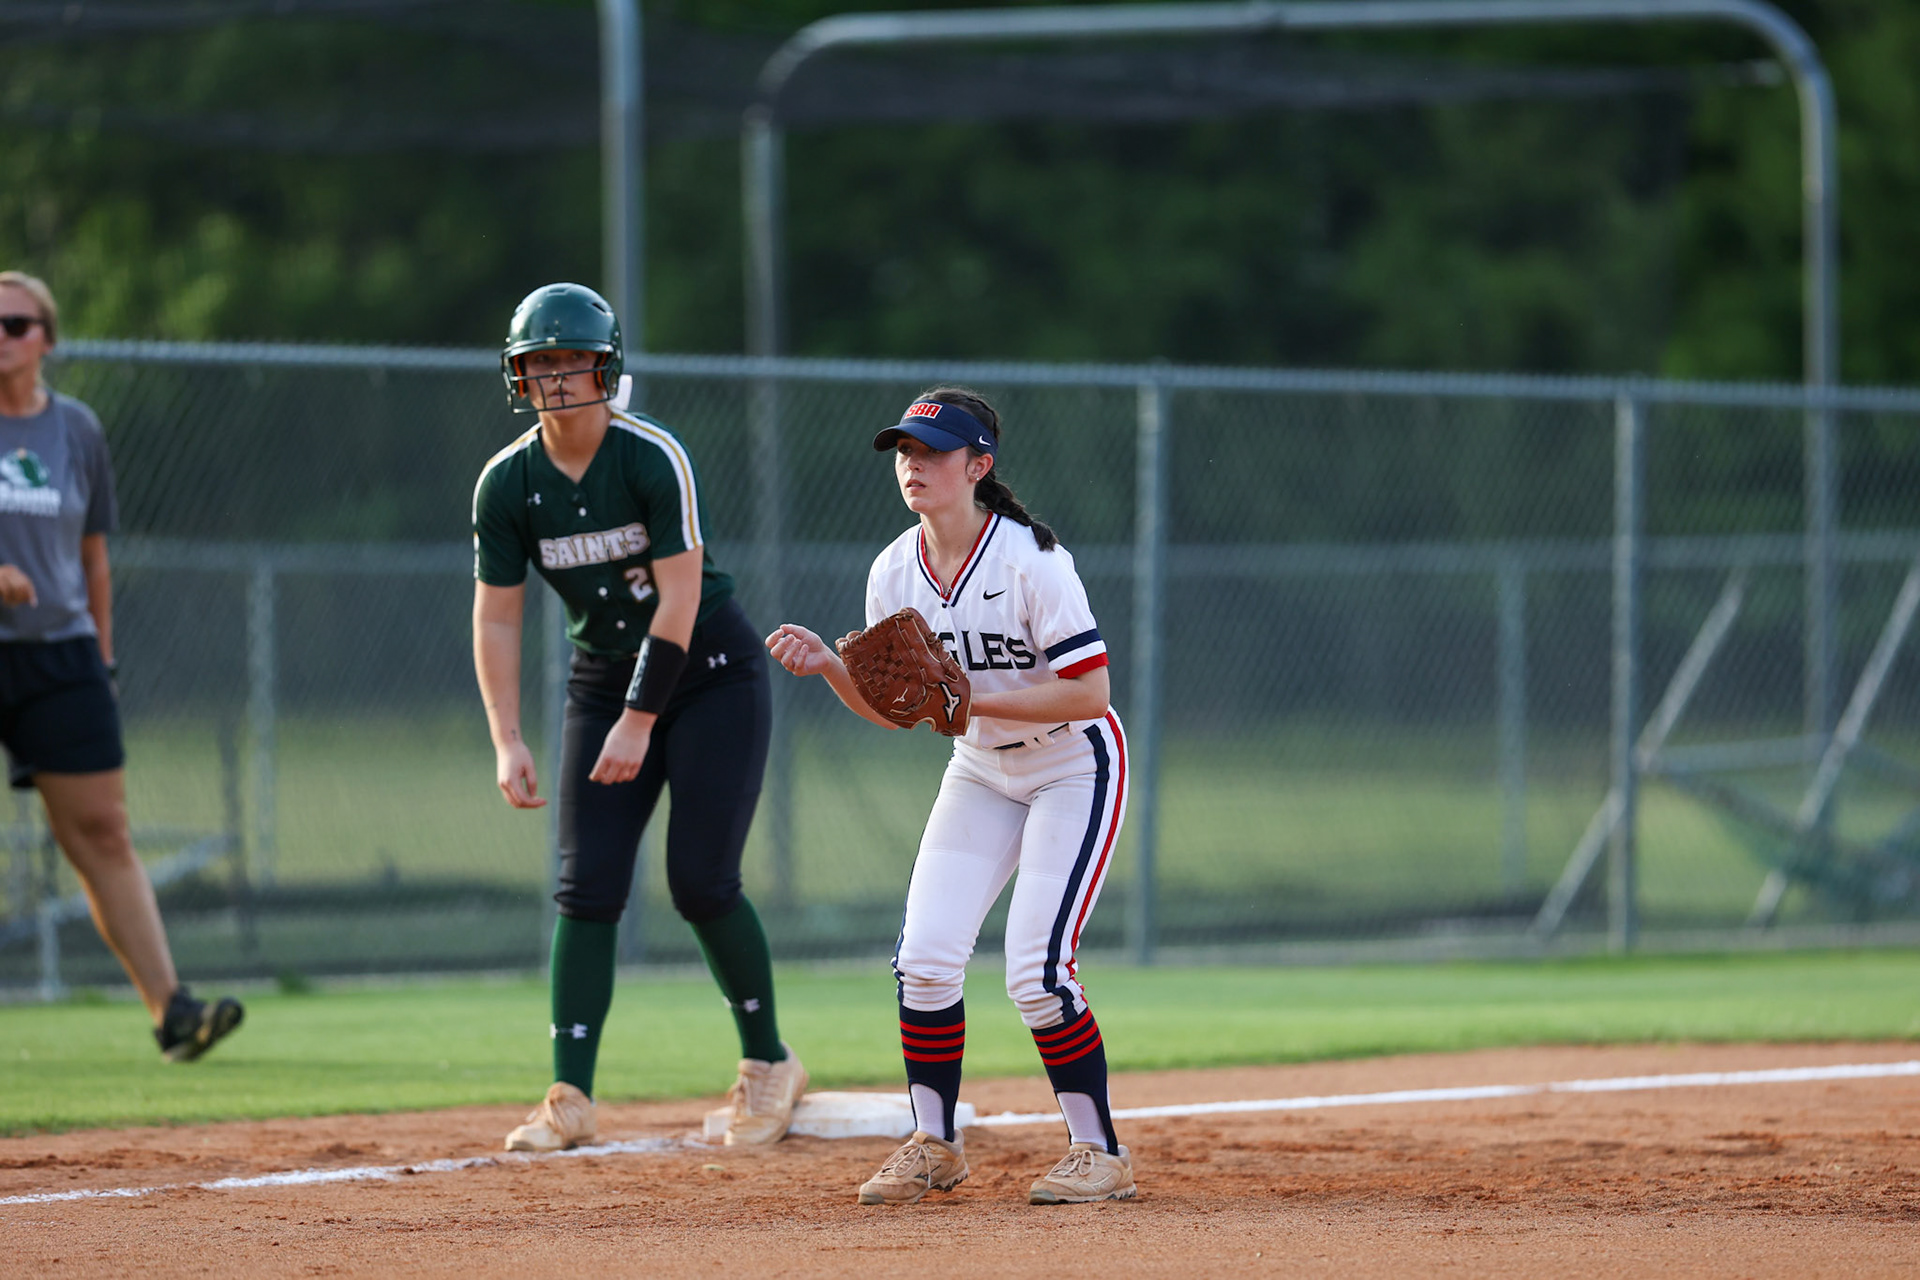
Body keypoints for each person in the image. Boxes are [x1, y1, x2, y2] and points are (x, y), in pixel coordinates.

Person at [766, 386, 1133, 1206]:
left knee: (1036, 971)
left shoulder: (1030, 560)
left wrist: (968, 696)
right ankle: (935, 1143)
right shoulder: (894, 569)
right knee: (925, 959)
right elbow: (897, 711)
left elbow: (1089, 693)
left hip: (1073, 763)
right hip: (981, 770)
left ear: (979, 466)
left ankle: (1099, 1152)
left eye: (932, 453)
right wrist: (833, 666)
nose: (914, 465)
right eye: (905, 452)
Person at [471, 282, 806, 1153]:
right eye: (537, 362)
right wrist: (508, 737)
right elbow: (497, 614)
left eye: (570, 359)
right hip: (602, 676)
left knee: (701, 879)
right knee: (587, 888)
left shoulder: (650, 455)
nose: (555, 377)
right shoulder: (508, 483)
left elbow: (682, 596)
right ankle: (569, 1096)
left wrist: (640, 718)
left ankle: (770, 1064)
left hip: (710, 672)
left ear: (604, 365)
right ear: (518, 375)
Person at [0, 269, 243, 1061]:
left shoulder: (75, 429)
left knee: (102, 830)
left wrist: (101, 658)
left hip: (62, 652)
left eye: (17, 324)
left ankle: (172, 1011)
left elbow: (93, 555)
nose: (2, 337)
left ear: (47, 339)